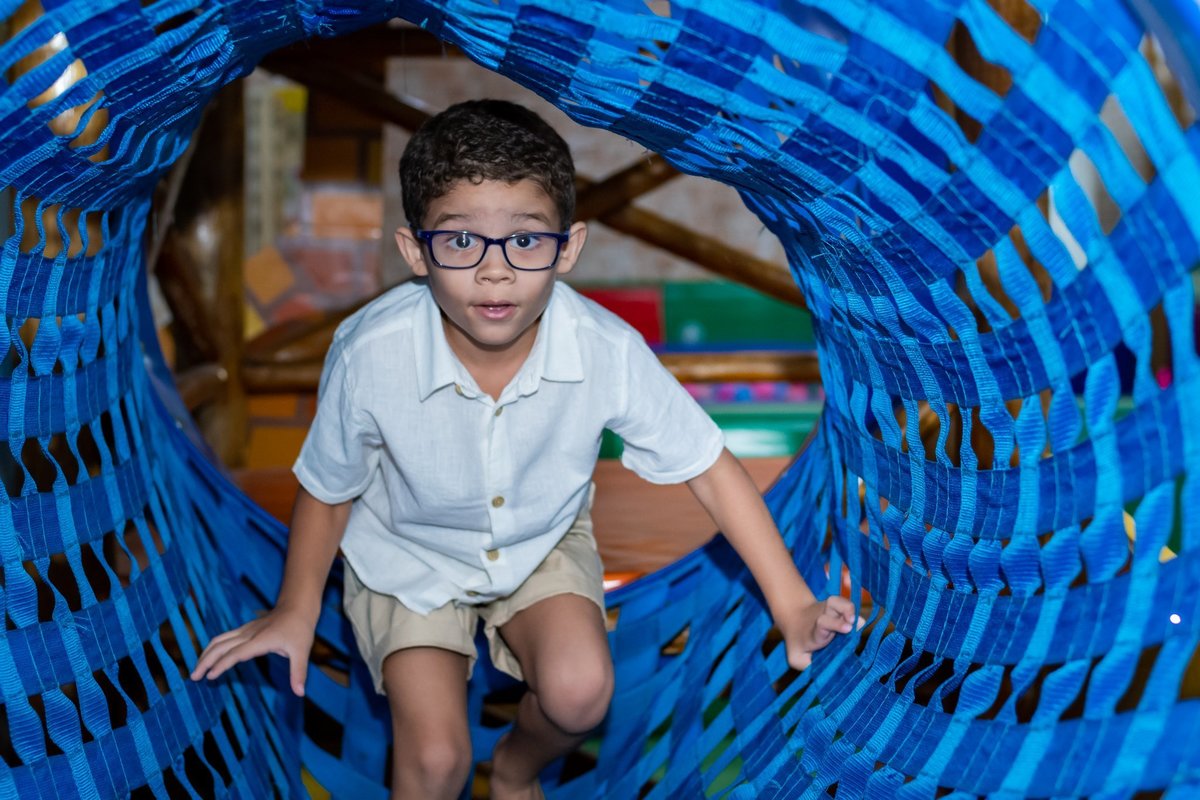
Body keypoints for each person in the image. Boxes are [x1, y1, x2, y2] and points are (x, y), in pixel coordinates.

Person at [191, 99, 859, 800]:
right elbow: (329, 489)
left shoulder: (604, 350)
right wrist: (296, 609)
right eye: (459, 242)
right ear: (415, 251)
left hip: (541, 540)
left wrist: (792, 605)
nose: (495, 272)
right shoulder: (371, 354)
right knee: (436, 760)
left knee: (581, 693)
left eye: (526, 241)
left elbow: (711, 470)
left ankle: (515, 769)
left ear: (567, 248)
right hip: (406, 553)